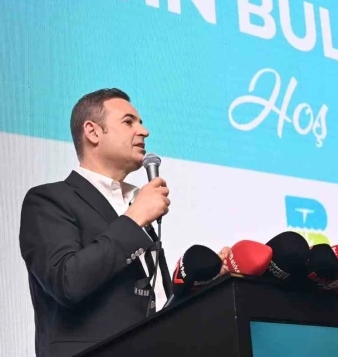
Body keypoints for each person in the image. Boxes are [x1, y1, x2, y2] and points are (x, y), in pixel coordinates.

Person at [19, 88, 227, 357]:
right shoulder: (48, 200)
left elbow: (154, 306)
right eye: (129, 122)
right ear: (93, 132)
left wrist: (200, 284)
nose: (144, 131)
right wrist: (134, 218)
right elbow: (66, 282)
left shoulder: (133, 205)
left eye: (140, 122)